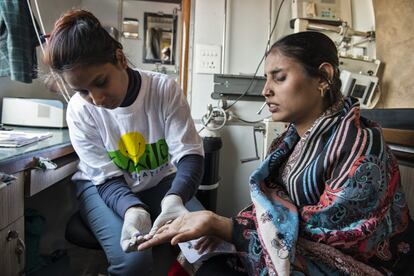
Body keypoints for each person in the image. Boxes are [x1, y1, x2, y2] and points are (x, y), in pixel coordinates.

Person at [138, 32, 414, 275]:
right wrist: (228, 229)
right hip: (289, 248)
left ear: (323, 76)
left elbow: (336, 237)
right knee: (204, 256)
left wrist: (227, 228)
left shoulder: (360, 146)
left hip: (356, 264)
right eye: (266, 79)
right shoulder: (288, 143)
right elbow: (272, 210)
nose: (266, 90)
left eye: (279, 77)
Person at [43, 10, 204, 276]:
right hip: (102, 187)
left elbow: (190, 154)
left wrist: (175, 198)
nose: (96, 99)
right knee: (133, 261)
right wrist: (132, 209)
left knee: (204, 244)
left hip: (158, 181)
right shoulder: (79, 111)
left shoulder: (163, 90)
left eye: (100, 82)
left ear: (119, 58)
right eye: (82, 91)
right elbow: (105, 176)